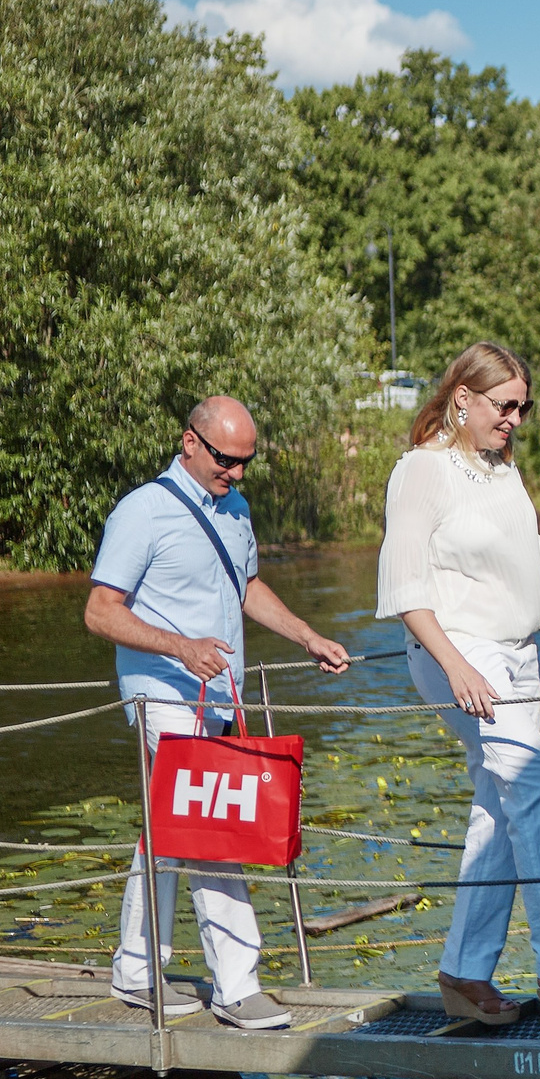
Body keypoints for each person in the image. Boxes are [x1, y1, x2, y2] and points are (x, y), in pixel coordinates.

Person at [377, 341, 540, 1026]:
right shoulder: (421, 471)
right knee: (536, 786)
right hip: (458, 652)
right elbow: (403, 585)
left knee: (500, 806)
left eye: (524, 407)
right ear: (463, 397)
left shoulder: (498, 466)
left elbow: (529, 545)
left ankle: (464, 972)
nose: (515, 419)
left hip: (516, 656)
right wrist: (456, 665)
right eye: (505, 405)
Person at [86, 395, 350, 1030]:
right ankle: (237, 987)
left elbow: (247, 587)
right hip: (162, 693)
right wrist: (181, 647)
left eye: (246, 461)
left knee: (170, 828)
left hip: (220, 695)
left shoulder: (236, 508)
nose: (236, 472)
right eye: (226, 460)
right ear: (190, 443)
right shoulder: (142, 511)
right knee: (212, 824)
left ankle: (135, 969)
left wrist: (307, 636)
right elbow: (100, 612)